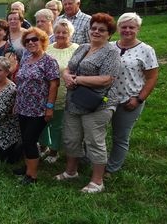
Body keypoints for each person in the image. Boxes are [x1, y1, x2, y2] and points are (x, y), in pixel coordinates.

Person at [57, 13, 121, 193]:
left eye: (102, 30)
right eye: (93, 28)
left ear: (109, 34)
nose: (96, 32)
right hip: (74, 101)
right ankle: (71, 172)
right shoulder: (83, 47)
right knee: (71, 139)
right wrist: (67, 75)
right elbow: (69, 67)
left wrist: (76, 80)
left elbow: (107, 79)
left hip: (97, 104)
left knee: (94, 141)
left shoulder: (111, 52)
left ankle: (97, 181)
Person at [106, 13, 158, 174]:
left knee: (120, 137)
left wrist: (139, 99)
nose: (127, 30)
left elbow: (152, 77)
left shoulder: (146, 50)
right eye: (124, 27)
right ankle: (93, 160)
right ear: (118, 28)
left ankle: (112, 168)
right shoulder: (110, 46)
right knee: (96, 132)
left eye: (131, 27)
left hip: (129, 100)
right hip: (106, 98)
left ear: (138, 29)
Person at [13, 27, 59, 185]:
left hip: (38, 109)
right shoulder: (26, 59)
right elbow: (21, 82)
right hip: (23, 106)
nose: (31, 42)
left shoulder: (49, 61)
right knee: (25, 138)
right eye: (27, 40)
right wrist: (16, 103)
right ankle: (28, 167)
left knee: (29, 140)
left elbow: (54, 85)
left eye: (35, 39)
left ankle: (32, 176)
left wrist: (49, 107)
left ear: (43, 41)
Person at [38, 19, 79, 163]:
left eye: (64, 32)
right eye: (57, 32)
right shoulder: (47, 48)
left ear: (70, 34)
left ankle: (54, 151)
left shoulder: (77, 49)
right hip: (45, 93)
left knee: (57, 124)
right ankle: (43, 147)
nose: (60, 35)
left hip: (65, 93)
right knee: (42, 121)